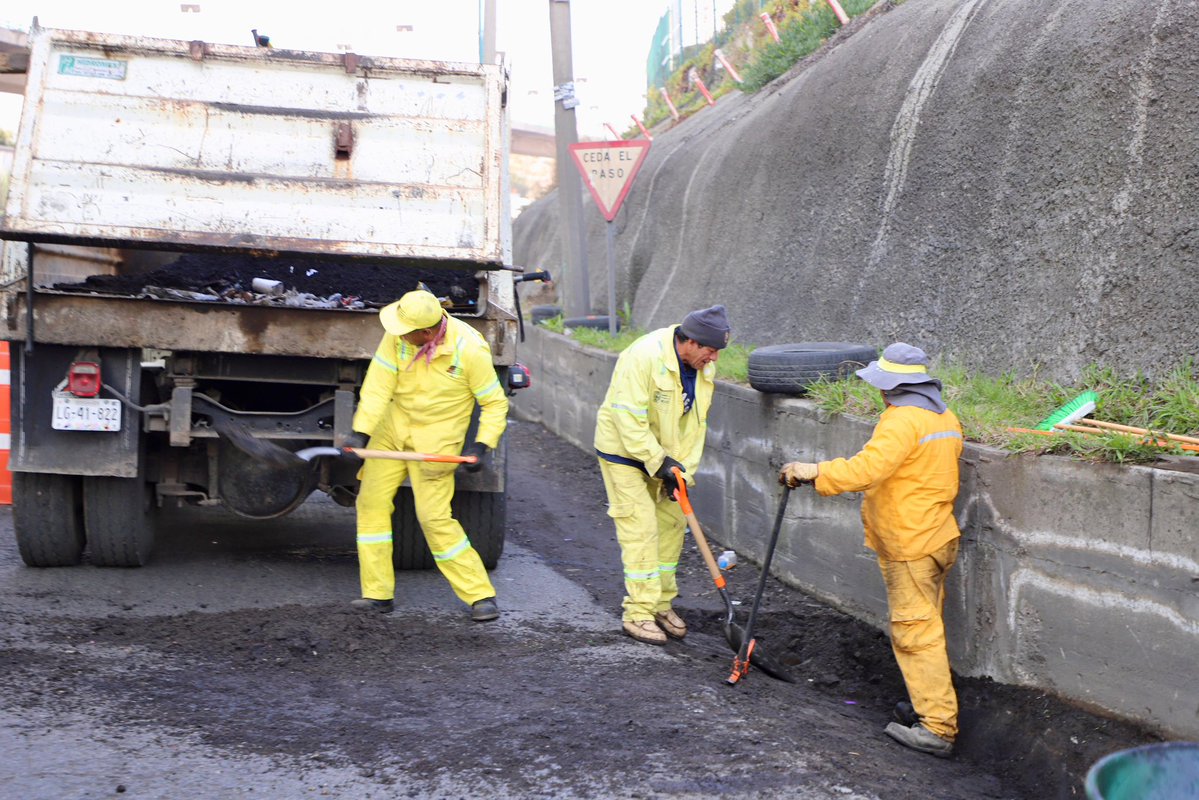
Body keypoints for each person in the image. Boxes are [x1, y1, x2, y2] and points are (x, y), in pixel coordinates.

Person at [779, 342, 963, 758]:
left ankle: (936, 727)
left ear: (892, 385)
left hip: (909, 542)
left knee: (916, 633)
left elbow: (867, 470)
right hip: (937, 536)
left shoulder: (902, 421)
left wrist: (815, 471)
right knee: (928, 627)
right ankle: (927, 707)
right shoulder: (944, 416)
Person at [347, 289, 509, 622]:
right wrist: (360, 433)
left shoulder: (469, 348)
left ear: (427, 332)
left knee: (433, 517)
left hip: (436, 442)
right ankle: (377, 595)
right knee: (370, 505)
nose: (398, 334)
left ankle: (480, 595)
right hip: (392, 431)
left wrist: (482, 446)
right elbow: (378, 387)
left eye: (406, 331)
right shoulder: (397, 339)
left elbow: (494, 403)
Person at [593, 305, 731, 645]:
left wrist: (682, 473)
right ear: (692, 342)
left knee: (672, 528)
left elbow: (694, 427)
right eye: (710, 350)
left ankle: (659, 604)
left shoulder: (702, 369)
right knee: (640, 527)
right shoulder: (642, 357)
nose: (713, 358)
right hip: (624, 453)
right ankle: (637, 613)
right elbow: (628, 421)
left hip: (667, 460)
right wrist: (659, 462)